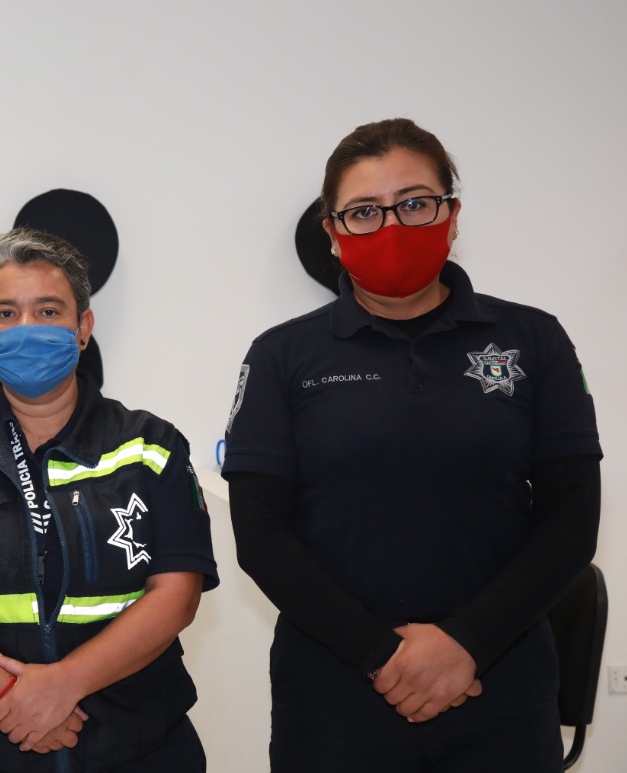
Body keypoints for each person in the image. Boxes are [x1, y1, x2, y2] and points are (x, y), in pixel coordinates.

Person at [222, 118, 602, 772]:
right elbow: (260, 532)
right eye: (365, 211)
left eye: (415, 202)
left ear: (451, 214)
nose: (392, 226)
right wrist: (384, 655)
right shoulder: (282, 355)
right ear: (333, 234)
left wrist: (465, 644)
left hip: (499, 688)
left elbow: (571, 517)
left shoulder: (534, 340)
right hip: (336, 696)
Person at [0, 227, 218, 772]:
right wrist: (9, 700)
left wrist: (63, 685)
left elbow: (177, 594)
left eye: (48, 311)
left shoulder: (151, 446)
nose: (26, 329)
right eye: (6, 314)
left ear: (83, 327)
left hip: (135, 745)